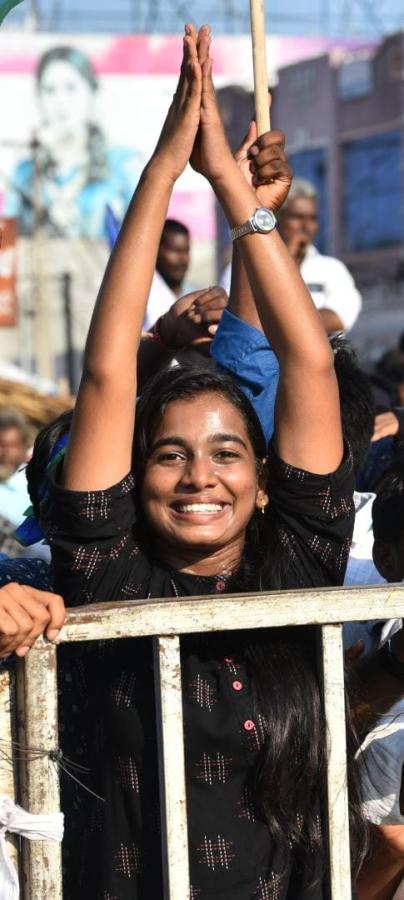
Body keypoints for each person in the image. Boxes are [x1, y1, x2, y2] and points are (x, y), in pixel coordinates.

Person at [41, 26, 364, 899]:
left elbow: (307, 363)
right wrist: (161, 175)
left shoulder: (299, 565)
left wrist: (232, 188)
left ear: (266, 487)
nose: (198, 478)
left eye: (227, 455)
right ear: (133, 476)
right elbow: (109, 373)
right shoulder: (108, 572)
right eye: (170, 455)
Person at [5, 45, 143, 240]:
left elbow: (145, 235)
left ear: (92, 93)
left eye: (70, 88)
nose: (60, 101)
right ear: (39, 99)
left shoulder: (123, 165)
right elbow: (7, 243)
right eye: (50, 90)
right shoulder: (25, 173)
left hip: (108, 270)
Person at [221, 176, 362, 333]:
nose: (306, 226)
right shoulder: (244, 268)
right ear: (277, 219)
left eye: (312, 218)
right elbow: (236, 317)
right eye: (297, 217)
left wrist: (277, 324)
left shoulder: (331, 269)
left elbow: (339, 317)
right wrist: (287, 258)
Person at [143, 218, 196, 330]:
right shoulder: (141, 296)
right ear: (156, 250)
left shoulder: (195, 296)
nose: (182, 259)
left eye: (186, 251)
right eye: (174, 250)